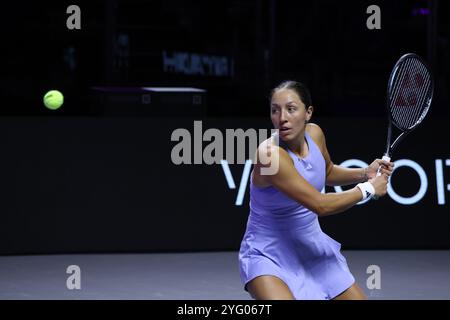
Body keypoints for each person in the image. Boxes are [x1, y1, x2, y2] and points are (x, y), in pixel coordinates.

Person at [238, 80, 394, 300]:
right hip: (268, 254)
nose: (282, 118)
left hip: (311, 248)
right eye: (275, 110)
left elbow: (327, 171)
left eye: (291, 109)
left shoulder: (315, 134)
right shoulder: (270, 155)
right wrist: (368, 188)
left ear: (308, 112)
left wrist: (364, 172)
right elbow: (319, 204)